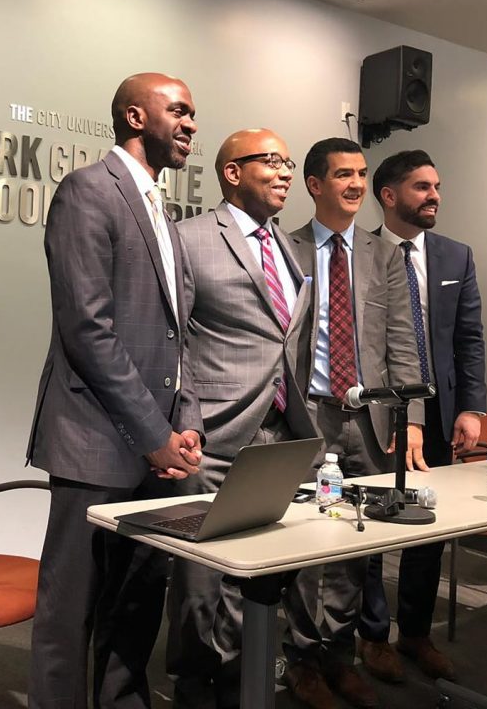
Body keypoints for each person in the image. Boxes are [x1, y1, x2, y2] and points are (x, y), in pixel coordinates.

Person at [26, 72, 205, 709]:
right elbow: (87, 330)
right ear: (134, 117)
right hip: (96, 442)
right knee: (71, 610)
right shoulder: (87, 191)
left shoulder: (164, 212)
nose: (190, 124)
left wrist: (186, 422)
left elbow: (177, 334)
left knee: (137, 601)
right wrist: (154, 435)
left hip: (160, 448)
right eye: (177, 110)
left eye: (192, 113)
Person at [165, 128, 318, 709]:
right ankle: (191, 684)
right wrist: (183, 421)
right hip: (212, 432)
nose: (285, 173)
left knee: (257, 568)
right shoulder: (190, 238)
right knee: (199, 580)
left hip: (278, 430)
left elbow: (285, 339)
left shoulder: (288, 247)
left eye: (289, 163)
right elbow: (173, 341)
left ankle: (235, 679)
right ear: (232, 172)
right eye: (272, 161)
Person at [282, 137, 424, 709]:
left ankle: (339, 657)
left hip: (369, 418)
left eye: (361, 174)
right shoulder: (286, 247)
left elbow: (402, 341)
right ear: (315, 184)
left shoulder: (382, 254)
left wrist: (410, 418)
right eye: (344, 174)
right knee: (303, 539)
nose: (356, 185)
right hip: (308, 414)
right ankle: (300, 661)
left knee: (357, 543)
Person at [356, 149, 487, 684]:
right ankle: (371, 635)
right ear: (389, 196)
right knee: (369, 524)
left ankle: (414, 632)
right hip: (376, 413)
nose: (435, 196)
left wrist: (472, 407)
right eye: (422, 187)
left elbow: (469, 338)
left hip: (437, 412)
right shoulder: (358, 252)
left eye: (437, 186)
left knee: (427, 524)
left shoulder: (456, 256)